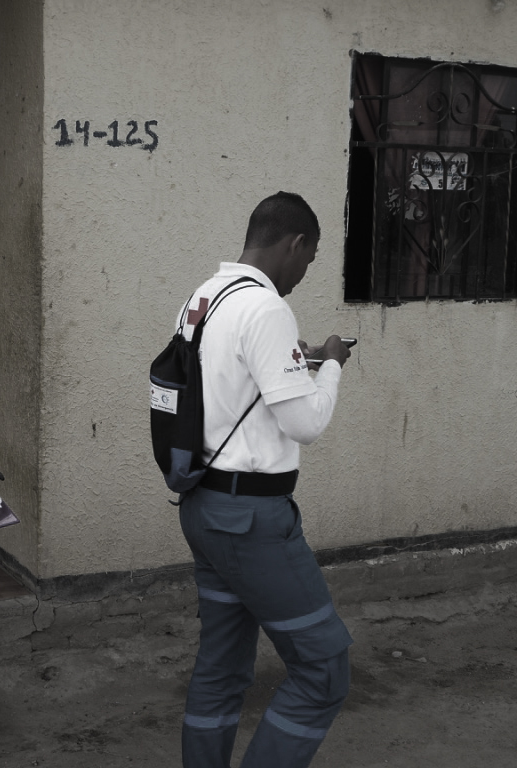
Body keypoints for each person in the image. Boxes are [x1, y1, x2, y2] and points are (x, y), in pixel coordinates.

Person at [175, 192, 353, 768]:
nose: (304, 273)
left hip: (204, 505)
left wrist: (294, 363)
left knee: (222, 669)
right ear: (294, 244)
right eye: (310, 258)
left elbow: (229, 385)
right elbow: (306, 423)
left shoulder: (204, 296)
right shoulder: (269, 308)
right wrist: (329, 365)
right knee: (323, 669)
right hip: (251, 522)